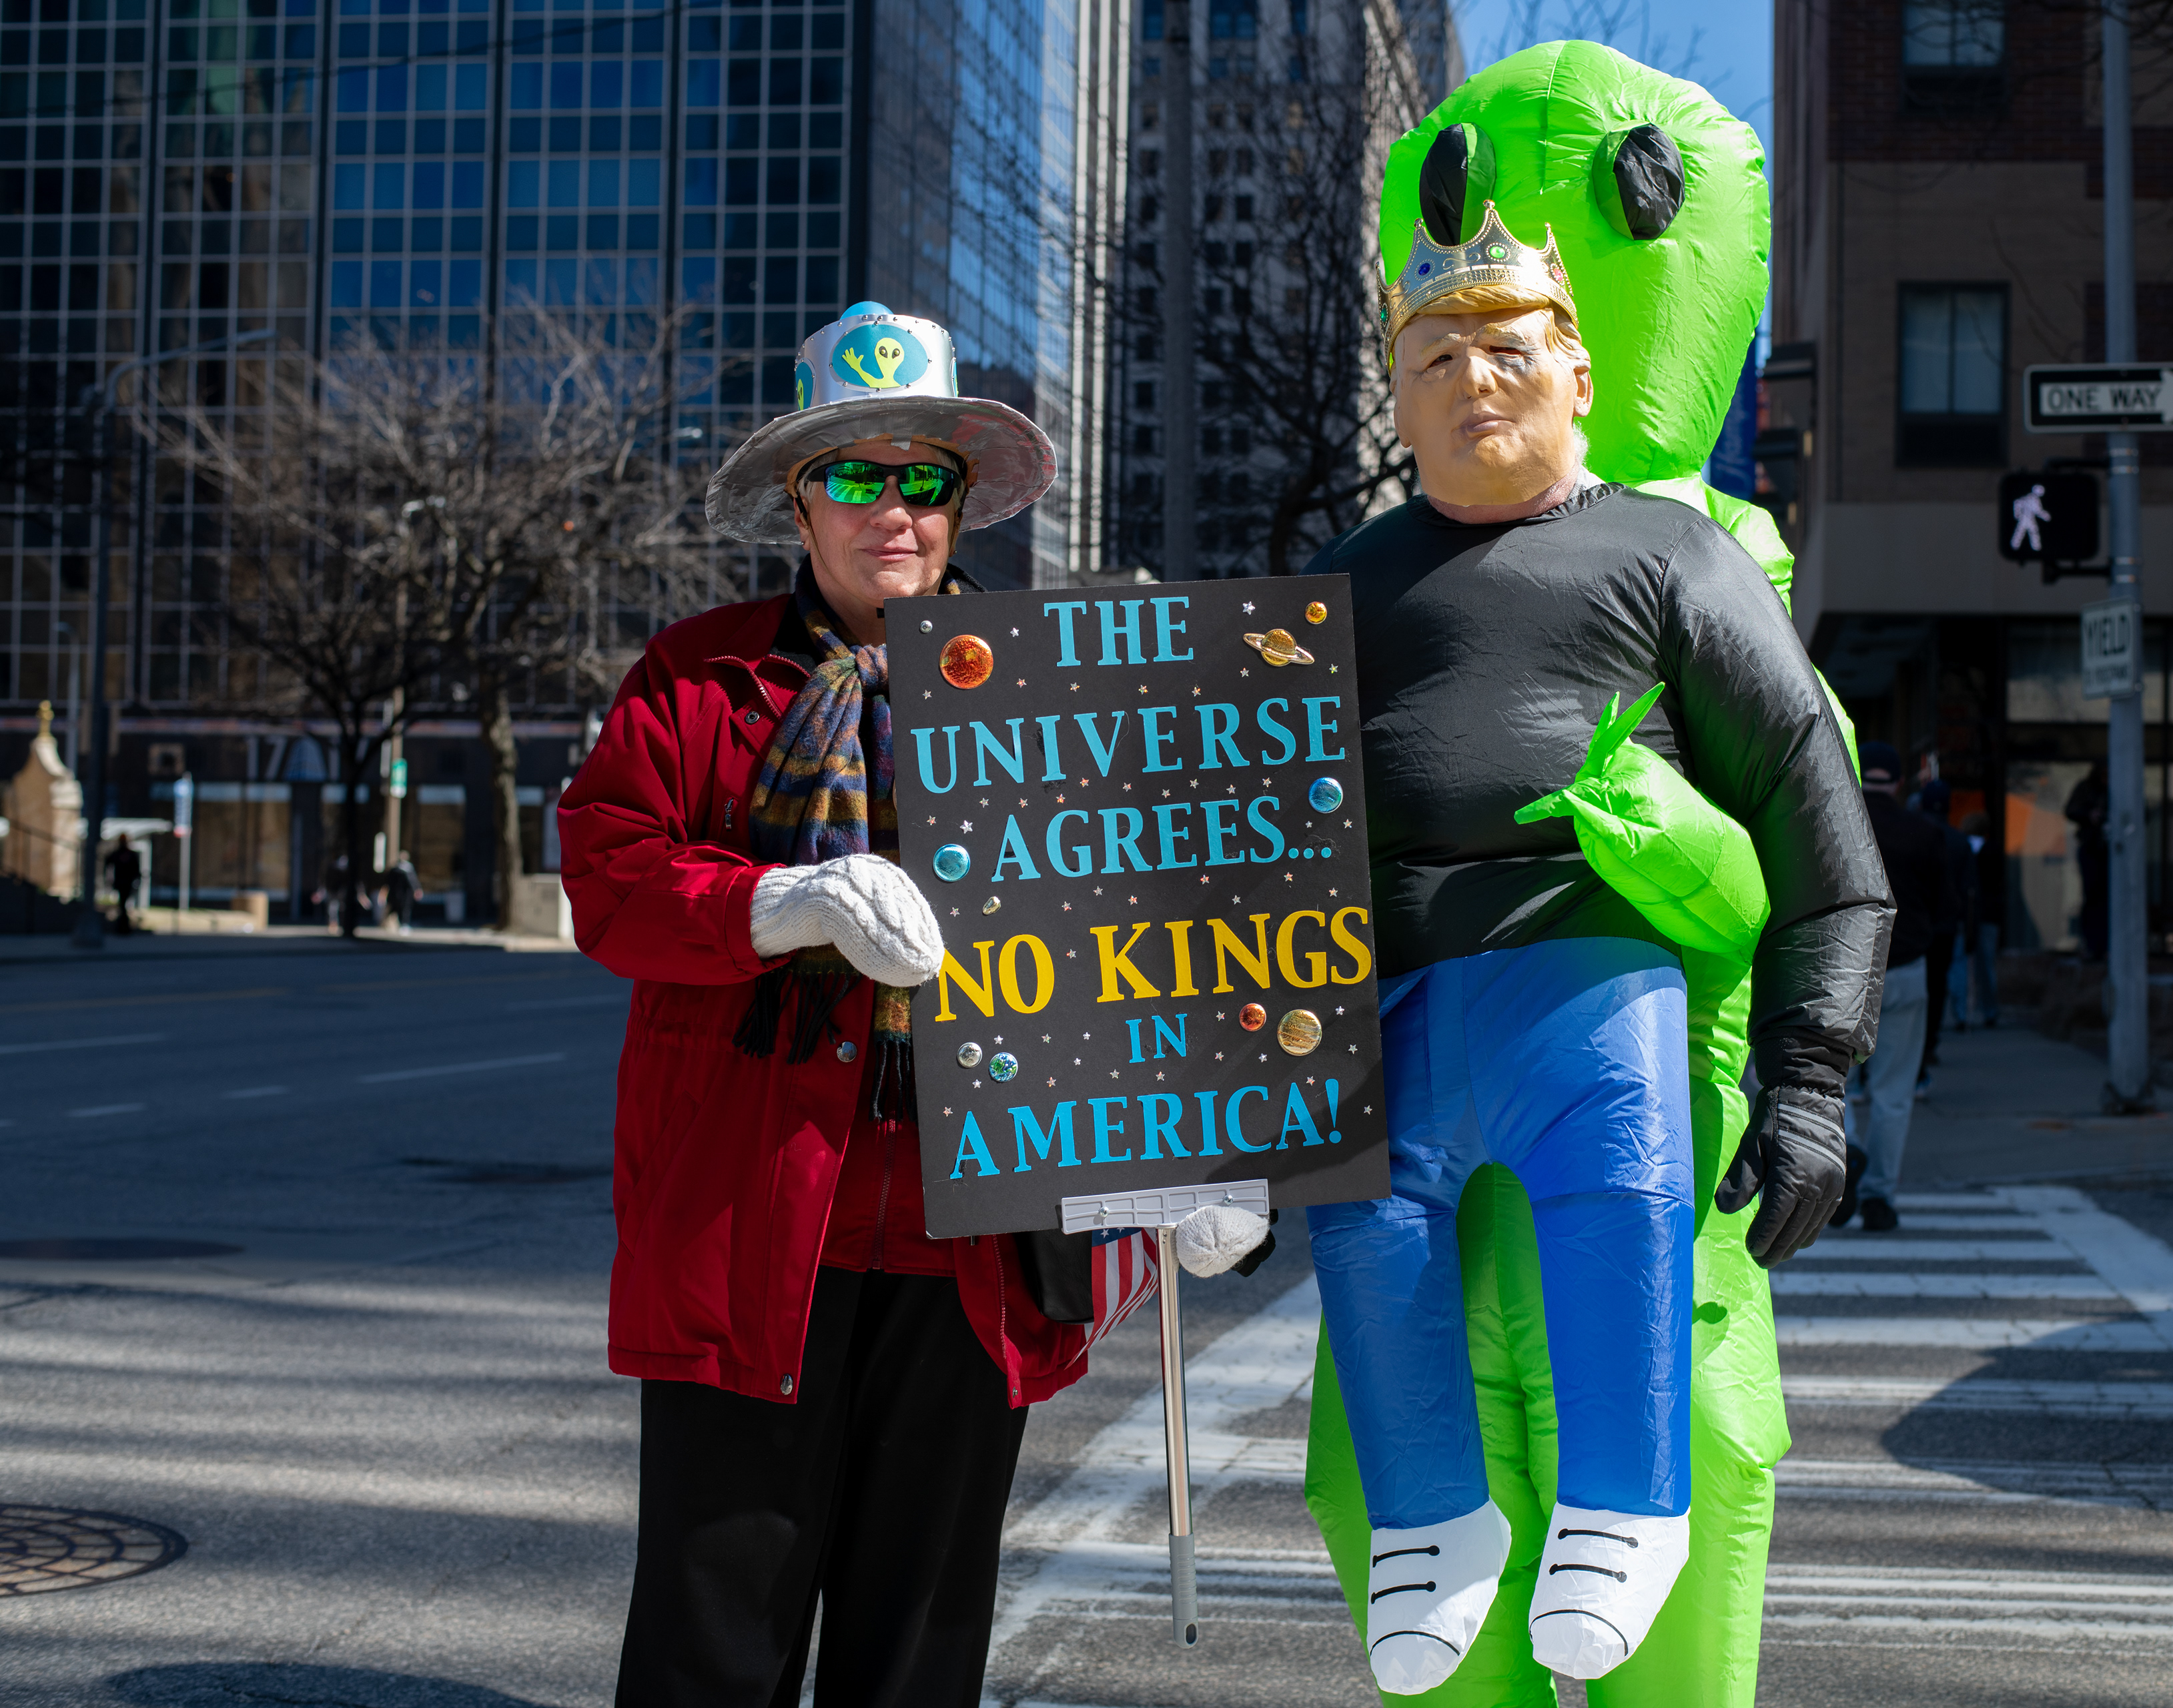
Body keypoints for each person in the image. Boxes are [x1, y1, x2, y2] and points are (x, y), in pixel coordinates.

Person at [558, 303, 1234, 1708]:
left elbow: (1142, 940)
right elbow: (610, 872)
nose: (892, 509)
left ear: (959, 497)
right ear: (802, 501)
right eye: (852, 475)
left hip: (969, 1237)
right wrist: (775, 904)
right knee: (712, 1625)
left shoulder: (1058, 686)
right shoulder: (699, 676)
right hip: (752, 1222)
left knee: (918, 1640)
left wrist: (1193, 1144)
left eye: (920, 477)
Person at [1294, 151, 1891, 1691]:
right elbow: (1235, 868)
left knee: (1618, 1186)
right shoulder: (1335, 593)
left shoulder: (1670, 554)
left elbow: (1819, 827)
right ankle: (1433, 1519)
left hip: (1604, 1008)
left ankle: (1629, 1502)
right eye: (1434, 354)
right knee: (1364, 1221)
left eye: (1506, 346)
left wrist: (1812, 1076)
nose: (1473, 380)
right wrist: (1203, 1125)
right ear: (1396, 392)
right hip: (1396, 1021)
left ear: (1572, 365)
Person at [1840, 745, 1957, 1232]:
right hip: (1906, 969)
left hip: (1842, 971)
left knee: (1830, 1083)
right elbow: (1948, 917)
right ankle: (1880, 1199)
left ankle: (1844, 1156)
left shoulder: (1840, 824)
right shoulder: (1926, 836)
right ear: (1902, 782)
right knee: (1893, 1093)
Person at [1914, 779, 1978, 1090]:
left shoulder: (1911, 834)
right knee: (1936, 987)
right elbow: (1968, 893)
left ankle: (1917, 1048)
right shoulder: (1959, 842)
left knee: (1911, 989)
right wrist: (1969, 930)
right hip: (1944, 926)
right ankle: (1928, 1045)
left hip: (1914, 926)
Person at [2066, 760, 2110, 961]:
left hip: (2114, 850)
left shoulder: (2121, 787)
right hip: (2092, 847)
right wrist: (2089, 816)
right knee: (2092, 897)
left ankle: (2108, 946)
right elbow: (2070, 810)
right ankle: (2092, 946)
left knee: (2111, 899)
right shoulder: (2087, 788)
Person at [1959, 809, 2000, 1026]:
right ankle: (1988, 1011)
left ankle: (1962, 1013)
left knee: (1961, 965)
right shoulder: (1990, 850)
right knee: (1985, 965)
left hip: (1970, 913)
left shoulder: (1962, 848)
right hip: (1984, 914)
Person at [105, 833, 141, 933]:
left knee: (123, 905)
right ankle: (123, 927)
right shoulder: (117, 854)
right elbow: (108, 862)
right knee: (122, 905)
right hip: (121, 883)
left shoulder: (129, 854)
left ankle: (123, 927)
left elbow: (136, 869)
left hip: (127, 883)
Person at [383, 849, 420, 934]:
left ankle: (403, 925)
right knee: (395, 909)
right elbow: (388, 882)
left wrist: (417, 890)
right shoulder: (395, 870)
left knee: (405, 909)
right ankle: (390, 924)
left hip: (406, 894)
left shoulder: (409, 869)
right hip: (397, 893)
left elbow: (414, 881)